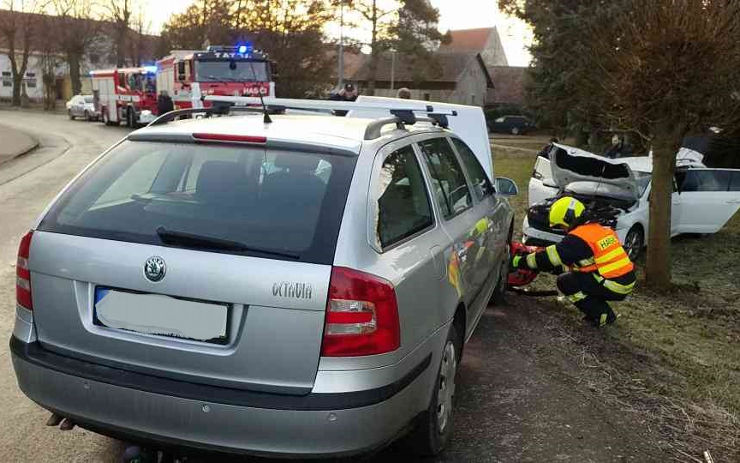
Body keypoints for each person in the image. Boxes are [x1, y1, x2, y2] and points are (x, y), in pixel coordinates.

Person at [511, 196, 636, 327]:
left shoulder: (579, 238)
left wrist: (518, 262)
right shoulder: (598, 229)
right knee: (573, 277)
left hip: (613, 284)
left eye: (561, 226)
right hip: (624, 279)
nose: (564, 230)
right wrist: (555, 267)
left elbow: (549, 258)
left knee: (566, 282)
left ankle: (600, 314)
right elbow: (584, 263)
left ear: (568, 219)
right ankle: (605, 313)